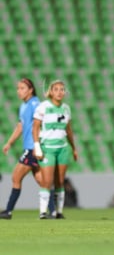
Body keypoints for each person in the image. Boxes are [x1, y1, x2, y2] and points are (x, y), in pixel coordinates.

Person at [0, 78, 55, 219]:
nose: (19, 91)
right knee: (42, 181)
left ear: (30, 90)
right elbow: (20, 126)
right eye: (18, 88)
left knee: (16, 177)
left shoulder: (35, 104)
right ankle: (53, 211)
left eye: (22, 88)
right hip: (31, 148)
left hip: (32, 148)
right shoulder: (24, 106)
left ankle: (8, 211)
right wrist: (9, 143)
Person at [33, 80, 78, 219]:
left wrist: (74, 148)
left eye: (62, 89)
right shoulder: (43, 107)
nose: (60, 92)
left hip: (63, 149)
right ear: (51, 92)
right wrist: (37, 146)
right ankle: (42, 211)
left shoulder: (66, 108)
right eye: (56, 89)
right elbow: (35, 128)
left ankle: (59, 212)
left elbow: (68, 130)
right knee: (47, 181)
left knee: (60, 181)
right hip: (48, 148)